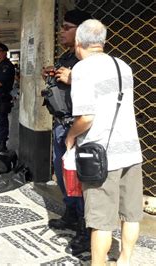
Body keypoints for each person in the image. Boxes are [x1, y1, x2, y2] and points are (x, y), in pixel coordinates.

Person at [66, 19, 143, 265]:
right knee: (131, 214)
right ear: (103, 42)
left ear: (79, 42)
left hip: (103, 156)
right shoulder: (124, 66)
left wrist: (71, 135)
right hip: (131, 150)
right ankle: (125, 260)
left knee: (101, 222)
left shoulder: (83, 69)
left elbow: (87, 117)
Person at [41, 9, 91, 256]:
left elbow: (96, 92)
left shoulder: (89, 61)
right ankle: (71, 213)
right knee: (63, 176)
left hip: (77, 126)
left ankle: (85, 229)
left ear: (81, 31)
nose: (61, 31)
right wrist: (53, 74)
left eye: (67, 27)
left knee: (78, 180)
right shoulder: (67, 56)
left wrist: (74, 79)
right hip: (60, 124)